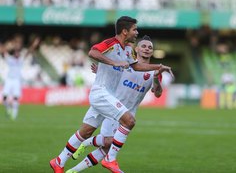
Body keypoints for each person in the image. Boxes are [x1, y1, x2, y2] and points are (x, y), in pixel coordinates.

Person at [50, 16, 173, 173]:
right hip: (101, 93)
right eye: (134, 29)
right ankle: (110, 160)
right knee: (129, 121)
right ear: (124, 31)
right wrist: (113, 63)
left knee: (85, 131)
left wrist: (160, 66)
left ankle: (59, 161)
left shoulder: (128, 49)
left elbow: (136, 67)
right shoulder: (111, 44)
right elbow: (92, 52)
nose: (137, 32)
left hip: (108, 96)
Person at [66, 35, 163, 172]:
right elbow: (113, 74)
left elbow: (158, 93)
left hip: (130, 113)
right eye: (144, 46)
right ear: (137, 49)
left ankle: (73, 170)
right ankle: (86, 143)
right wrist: (101, 72)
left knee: (107, 149)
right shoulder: (128, 63)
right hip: (115, 109)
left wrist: (156, 79)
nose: (147, 49)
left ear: (152, 52)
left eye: (150, 48)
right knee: (109, 142)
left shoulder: (155, 71)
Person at [1, 36, 40, 120]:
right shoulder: (10, 59)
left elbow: (29, 52)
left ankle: (14, 115)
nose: (17, 54)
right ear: (14, 53)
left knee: (15, 97)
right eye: (16, 52)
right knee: (4, 97)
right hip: (9, 79)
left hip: (17, 80)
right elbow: (3, 51)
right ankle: (8, 110)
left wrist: (34, 44)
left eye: (18, 52)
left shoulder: (21, 60)